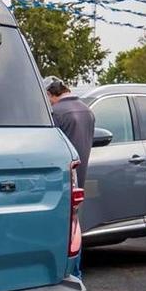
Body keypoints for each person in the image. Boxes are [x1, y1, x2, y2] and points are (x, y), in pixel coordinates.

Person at [42, 75, 94, 278]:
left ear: (49, 94)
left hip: (59, 182)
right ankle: (76, 274)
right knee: (74, 231)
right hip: (78, 180)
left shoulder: (57, 113)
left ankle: (67, 275)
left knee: (59, 233)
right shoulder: (87, 111)